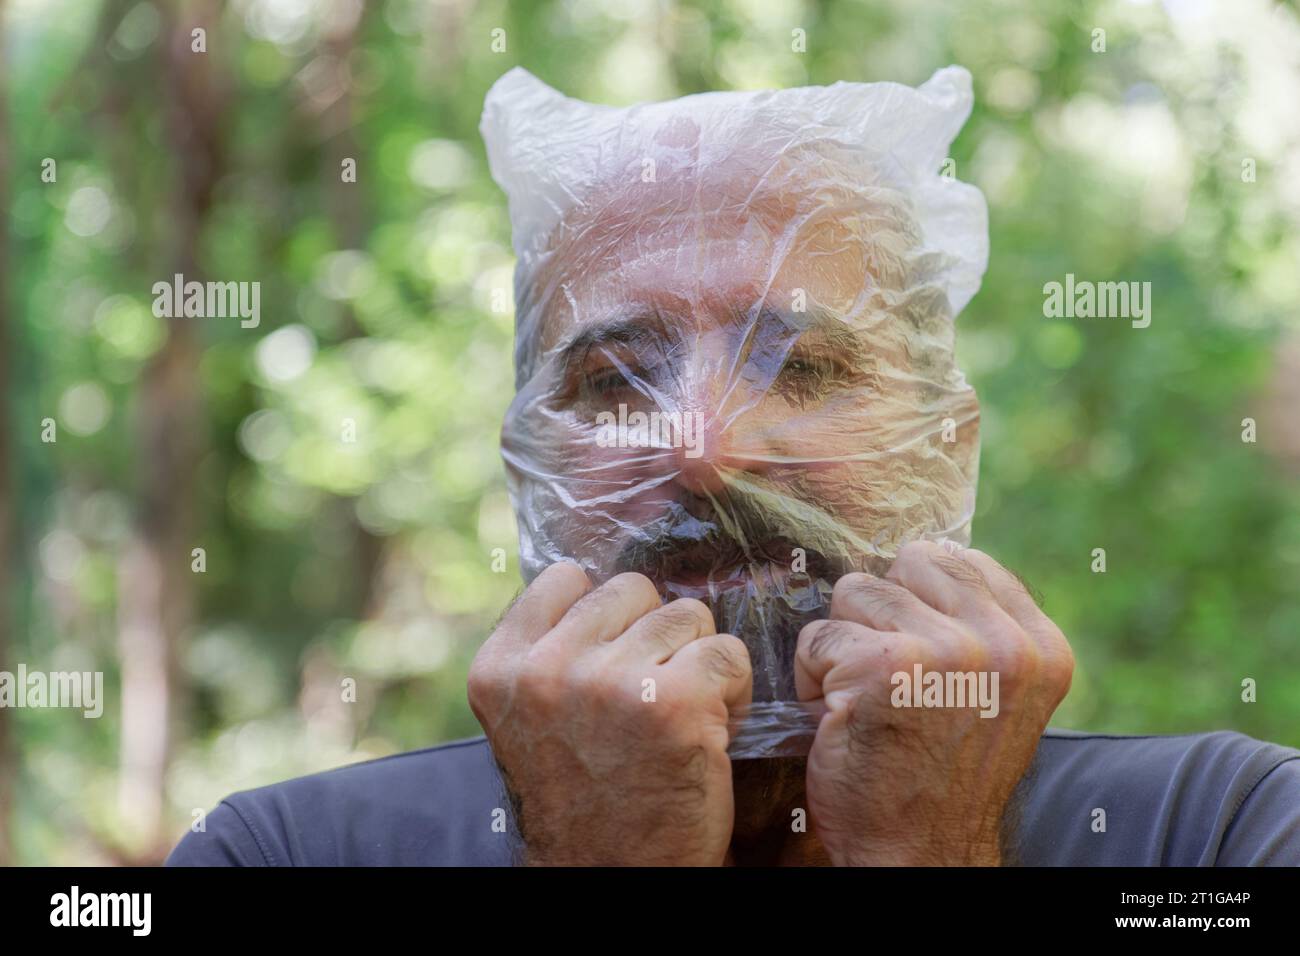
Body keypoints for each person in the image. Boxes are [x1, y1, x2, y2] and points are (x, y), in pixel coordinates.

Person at [168, 68, 1300, 867]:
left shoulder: (1224, 830)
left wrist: (929, 853)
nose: (705, 450)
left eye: (801, 367)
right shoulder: (279, 852)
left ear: (946, 444)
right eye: (616, 381)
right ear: (526, 460)